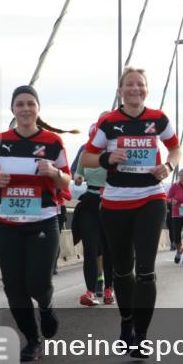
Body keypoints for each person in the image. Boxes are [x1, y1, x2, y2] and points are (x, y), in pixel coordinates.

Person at [81, 68, 180, 356]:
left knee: (146, 270)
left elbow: (175, 148)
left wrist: (169, 166)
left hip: (151, 198)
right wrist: (106, 157)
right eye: (129, 84)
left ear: (147, 89)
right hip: (115, 203)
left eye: (141, 84)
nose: (135, 89)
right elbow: (87, 158)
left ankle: (142, 336)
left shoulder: (158, 119)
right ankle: (126, 323)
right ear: (120, 90)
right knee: (123, 270)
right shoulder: (109, 122)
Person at [0, 85, 72, 362]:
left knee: (37, 281)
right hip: (6, 222)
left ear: (38, 108)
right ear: (13, 109)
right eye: (19, 104)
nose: (25, 108)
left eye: (30, 103)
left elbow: (67, 180)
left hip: (43, 220)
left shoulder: (53, 142)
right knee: (13, 286)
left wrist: (54, 171)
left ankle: (45, 305)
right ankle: (32, 340)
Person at [72, 126, 114, 306]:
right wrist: (78, 177)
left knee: (108, 249)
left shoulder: (114, 153)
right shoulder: (86, 154)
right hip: (90, 203)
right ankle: (90, 291)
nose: (94, 141)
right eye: (91, 137)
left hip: (111, 203)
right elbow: (77, 173)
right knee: (90, 249)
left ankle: (108, 290)